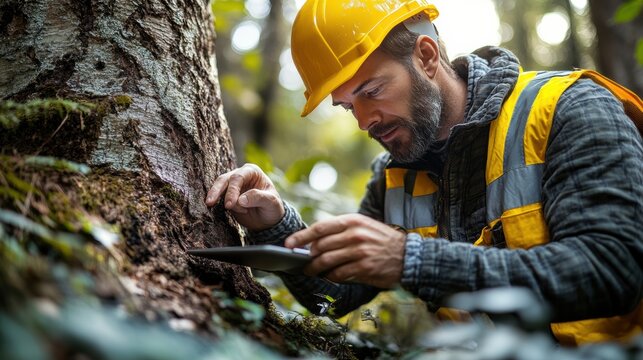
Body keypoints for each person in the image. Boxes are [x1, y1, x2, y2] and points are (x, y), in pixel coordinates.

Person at [206, 0, 643, 346]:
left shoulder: (568, 109)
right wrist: (276, 225)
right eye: (347, 106)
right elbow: (337, 296)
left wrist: (412, 260)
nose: (364, 122)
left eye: (371, 91)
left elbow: (613, 269)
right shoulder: (392, 178)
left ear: (427, 56)